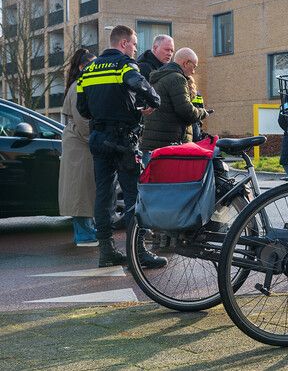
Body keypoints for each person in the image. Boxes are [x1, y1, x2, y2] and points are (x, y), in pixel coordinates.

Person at [76, 25, 165, 268]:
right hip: (124, 141)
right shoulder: (125, 64)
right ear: (124, 43)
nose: (135, 49)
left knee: (103, 196)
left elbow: (83, 110)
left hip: (98, 139)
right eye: (134, 44)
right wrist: (152, 101)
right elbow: (138, 83)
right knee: (133, 195)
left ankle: (107, 252)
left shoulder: (88, 70)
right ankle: (138, 253)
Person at [58, 48, 97, 247]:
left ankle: (84, 233)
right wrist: (96, 140)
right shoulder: (79, 87)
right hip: (81, 146)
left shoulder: (74, 85)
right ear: (82, 67)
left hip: (77, 145)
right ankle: (85, 235)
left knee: (79, 191)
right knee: (81, 192)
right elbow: (84, 122)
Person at [140, 48, 208, 154]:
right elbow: (186, 112)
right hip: (170, 145)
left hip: (153, 144)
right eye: (194, 67)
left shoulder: (160, 77)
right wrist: (203, 112)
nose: (193, 72)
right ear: (185, 63)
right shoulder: (177, 79)